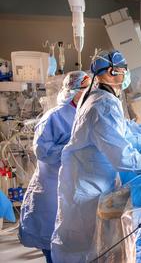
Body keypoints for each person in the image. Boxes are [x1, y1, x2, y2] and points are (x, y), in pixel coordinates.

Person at [51, 50, 141, 262]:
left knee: (93, 247)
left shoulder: (101, 95)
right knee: (85, 250)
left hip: (90, 179)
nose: (126, 74)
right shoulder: (102, 105)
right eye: (124, 70)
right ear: (112, 71)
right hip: (87, 187)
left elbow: (122, 131)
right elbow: (123, 158)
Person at [19, 71, 91, 263]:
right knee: (53, 245)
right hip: (51, 190)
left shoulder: (87, 114)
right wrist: (73, 149)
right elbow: (43, 151)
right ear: (74, 91)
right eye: (86, 89)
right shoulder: (54, 116)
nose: (91, 93)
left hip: (75, 190)